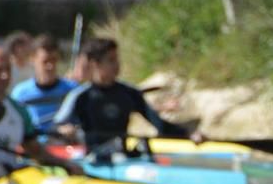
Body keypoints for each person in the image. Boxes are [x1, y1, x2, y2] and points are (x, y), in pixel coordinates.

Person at [53, 38, 201, 158]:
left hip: (122, 156)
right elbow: (56, 127)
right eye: (111, 60)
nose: (117, 65)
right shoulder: (80, 96)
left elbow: (160, 125)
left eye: (117, 60)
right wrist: (64, 129)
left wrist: (188, 134)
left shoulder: (130, 93)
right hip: (94, 159)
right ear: (95, 64)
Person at [0, 45, 81, 184]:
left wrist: (65, 164)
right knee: (2, 170)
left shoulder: (18, 110)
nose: (4, 75)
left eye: (8, 69)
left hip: (8, 175)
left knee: (27, 170)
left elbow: (35, 150)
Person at [10, 35, 78, 135]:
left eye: (53, 60)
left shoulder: (72, 90)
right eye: (45, 61)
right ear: (33, 60)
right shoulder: (20, 93)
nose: (50, 66)